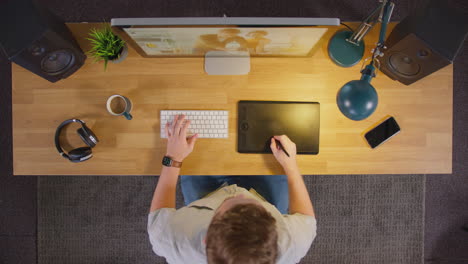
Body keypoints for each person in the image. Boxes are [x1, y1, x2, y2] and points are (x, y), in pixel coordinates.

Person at [148, 114, 317, 264]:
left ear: (206, 239)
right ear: (276, 235)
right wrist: (291, 166)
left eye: (229, 204)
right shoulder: (292, 244)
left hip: (207, 196)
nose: (240, 194)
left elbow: (159, 213)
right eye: (252, 205)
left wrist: (174, 158)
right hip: (265, 196)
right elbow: (306, 218)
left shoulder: (175, 242)